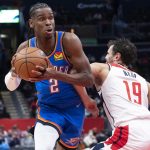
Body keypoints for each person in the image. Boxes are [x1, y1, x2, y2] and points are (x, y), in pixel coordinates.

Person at [4, 2, 99, 150]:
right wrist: (13, 74)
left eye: (51, 18)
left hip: (74, 108)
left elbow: (88, 79)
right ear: (31, 23)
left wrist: (55, 74)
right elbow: (11, 87)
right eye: (42, 19)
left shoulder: (69, 41)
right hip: (48, 109)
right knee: (43, 147)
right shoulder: (25, 49)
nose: (48, 22)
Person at [88, 38, 150, 150]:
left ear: (116, 57)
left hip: (130, 134)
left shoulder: (104, 69)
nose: (105, 57)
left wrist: (86, 100)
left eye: (108, 53)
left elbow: (80, 72)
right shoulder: (144, 82)